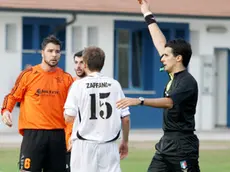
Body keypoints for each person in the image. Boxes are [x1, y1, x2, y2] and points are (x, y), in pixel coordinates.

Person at [116, 1, 200, 172]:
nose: (162, 58)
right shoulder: (172, 75)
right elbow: (159, 42)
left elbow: (169, 102)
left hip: (183, 146)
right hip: (166, 145)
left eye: (166, 56)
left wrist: (139, 100)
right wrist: (146, 13)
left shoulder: (187, 82)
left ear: (179, 58)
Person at [1, 35, 73, 172]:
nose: (54, 55)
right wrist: (6, 111)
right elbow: (12, 96)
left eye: (57, 52)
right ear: (42, 52)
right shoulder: (28, 75)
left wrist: (71, 136)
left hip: (58, 135)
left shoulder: (66, 79)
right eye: (50, 51)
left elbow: (74, 110)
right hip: (33, 135)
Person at [64, 46, 130, 172]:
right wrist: (125, 142)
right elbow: (125, 119)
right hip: (109, 145)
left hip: (84, 145)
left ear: (85, 63)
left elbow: (69, 117)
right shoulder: (115, 85)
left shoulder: (78, 85)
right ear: (102, 63)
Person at [65, 50, 86, 172]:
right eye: (76, 62)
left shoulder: (95, 86)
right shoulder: (68, 83)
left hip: (85, 141)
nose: (78, 66)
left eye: (81, 62)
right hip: (68, 141)